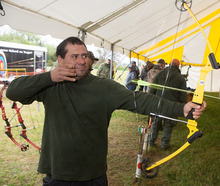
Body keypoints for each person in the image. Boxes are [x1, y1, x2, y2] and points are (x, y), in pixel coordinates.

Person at [6, 37, 206, 185]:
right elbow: (14, 91)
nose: (81, 61)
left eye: (84, 55)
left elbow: (141, 100)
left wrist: (182, 107)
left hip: (94, 176)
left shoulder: (104, 87)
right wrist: (50, 77)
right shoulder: (51, 85)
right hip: (58, 175)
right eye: (74, 56)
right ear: (60, 59)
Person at [149, 59, 187, 150]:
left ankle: (151, 141)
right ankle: (164, 145)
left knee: (156, 122)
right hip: (171, 105)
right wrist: (183, 105)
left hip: (158, 102)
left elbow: (152, 88)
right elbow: (183, 95)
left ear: (169, 64)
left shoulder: (160, 73)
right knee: (168, 124)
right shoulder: (181, 78)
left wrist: (151, 98)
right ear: (178, 66)